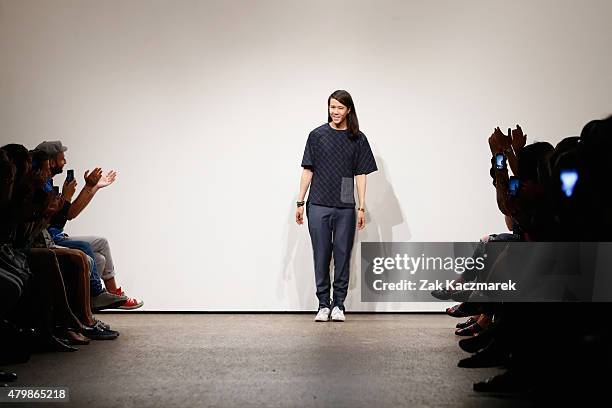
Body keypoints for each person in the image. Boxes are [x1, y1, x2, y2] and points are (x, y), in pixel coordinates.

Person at [296, 90, 377, 322]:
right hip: (318, 202)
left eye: (340, 108)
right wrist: (300, 202)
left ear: (348, 110)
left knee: (342, 254)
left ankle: (338, 304)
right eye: (332, 107)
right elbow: (308, 169)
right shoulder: (317, 135)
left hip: (344, 204)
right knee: (321, 255)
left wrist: (361, 207)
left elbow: (360, 173)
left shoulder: (357, 138)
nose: (336, 111)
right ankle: (323, 304)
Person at [35, 141, 142, 310]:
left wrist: (91, 187)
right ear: (51, 161)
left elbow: (69, 214)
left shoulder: (48, 183)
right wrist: (68, 198)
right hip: (49, 238)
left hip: (56, 235)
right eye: (62, 158)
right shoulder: (41, 184)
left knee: (100, 253)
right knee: (89, 251)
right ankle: (99, 297)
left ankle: (98, 299)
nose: (65, 162)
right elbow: (62, 216)